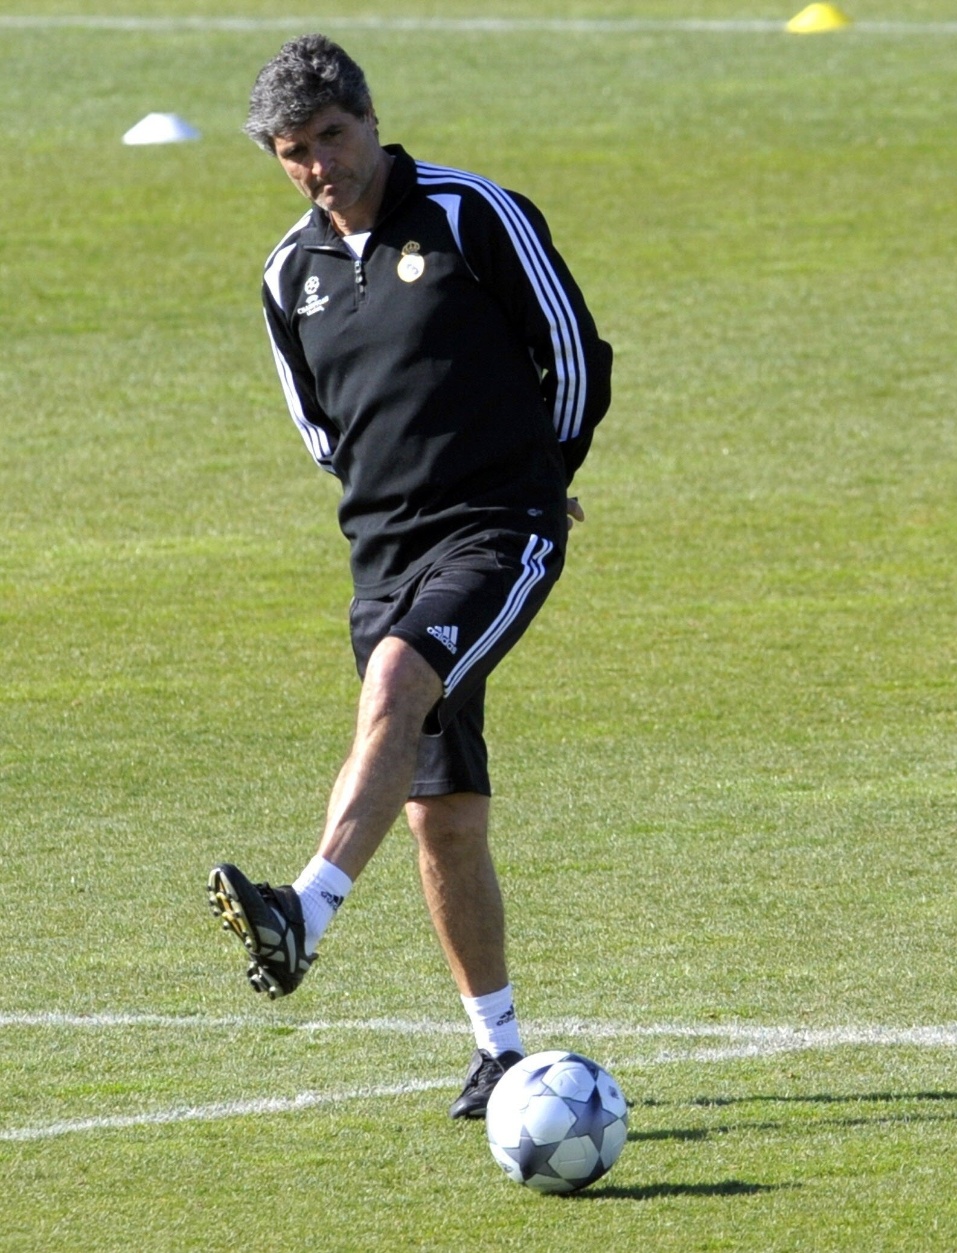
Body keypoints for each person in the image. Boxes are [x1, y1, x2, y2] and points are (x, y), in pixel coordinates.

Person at [206, 34, 613, 1120]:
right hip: (383, 553)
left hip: (497, 530)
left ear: (370, 121)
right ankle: (497, 1049)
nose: (317, 165)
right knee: (444, 817)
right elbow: (324, 433)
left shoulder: (474, 213)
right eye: (292, 152)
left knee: (396, 685)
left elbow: (575, 356)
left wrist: (544, 477)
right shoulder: (289, 274)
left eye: (331, 138)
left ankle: (306, 910)